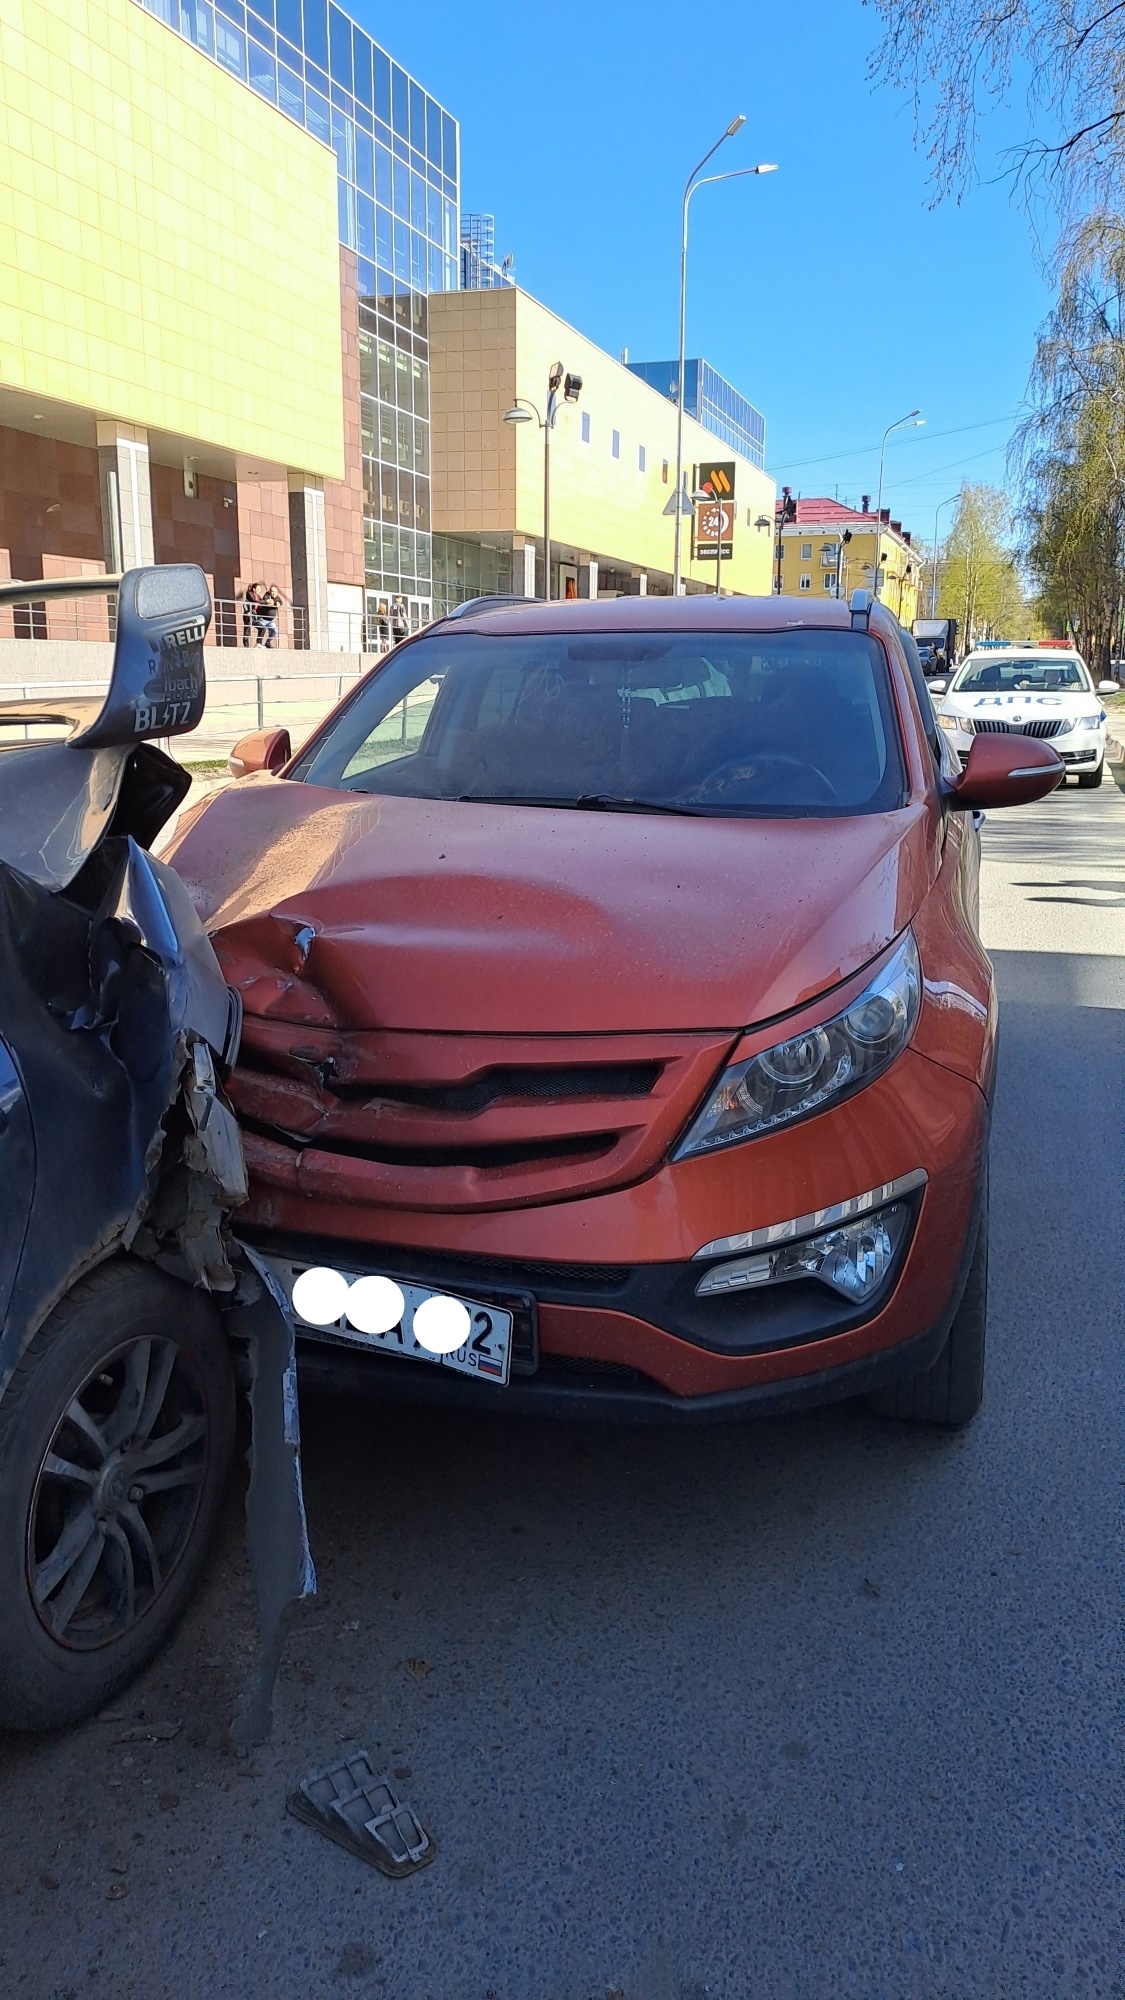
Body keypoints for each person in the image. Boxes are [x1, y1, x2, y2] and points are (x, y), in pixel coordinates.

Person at [256, 583, 284, 649]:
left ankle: (268, 643)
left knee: (275, 631)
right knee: (262, 630)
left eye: (275, 592)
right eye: (272, 591)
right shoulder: (267, 595)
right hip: (263, 618)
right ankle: (258, 644)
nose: (273, 593)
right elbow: (268, 602)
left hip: (270, 621)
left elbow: (280, 602)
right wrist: (275, 603)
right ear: (269, 591)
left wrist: (276, 603)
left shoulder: (277, 597)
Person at [242, 581, 263, 648]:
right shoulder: (249, 593)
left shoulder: (258, 597)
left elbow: (263, 602)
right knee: (247, 630)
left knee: (262, 628)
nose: (260, 591)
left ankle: (258, 643)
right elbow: (254, 601)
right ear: (254, 589)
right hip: (248, 614)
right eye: (258, 589)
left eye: (260, 589)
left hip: (254, 616)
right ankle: (246, 646)